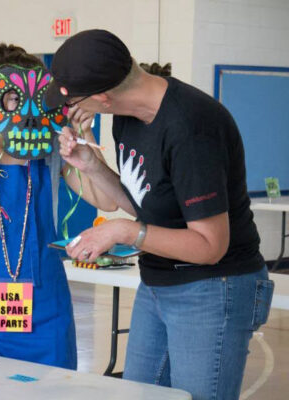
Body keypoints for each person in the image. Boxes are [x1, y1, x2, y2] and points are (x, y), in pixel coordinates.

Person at [47, 29, 274, 398]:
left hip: (214, 286)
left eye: (74, 101)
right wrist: (91, 165)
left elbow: (209, 246)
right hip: (158, 282)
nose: (72, 110)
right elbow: (139, 199)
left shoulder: (192, 126)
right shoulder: (127, 117)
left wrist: (123, 232)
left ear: (102, 97)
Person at [0, 43, 116, 369]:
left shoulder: (50, 147)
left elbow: (106, 200)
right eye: (11, 97)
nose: (24, 109)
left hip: (46, 304)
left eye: (36, 98)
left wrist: (84, 133)